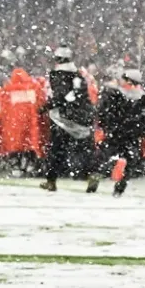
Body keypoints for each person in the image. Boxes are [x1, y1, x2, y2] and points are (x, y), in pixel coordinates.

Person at [39, 47, 97, 192]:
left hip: (63, 118)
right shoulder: (78, 75)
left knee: (56, 150)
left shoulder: (59, 75)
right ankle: (91, 175)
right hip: (82, 117)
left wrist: (46, 107)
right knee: (84, 149)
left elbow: (62, 96)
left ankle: (51, 181)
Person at [98, 68, 145, 196]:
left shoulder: (115, 95)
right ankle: (120, 183)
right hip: (132, 134)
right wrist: (144, 129)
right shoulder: (144, 99)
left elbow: (104, 113)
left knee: (106, 156)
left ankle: (98, 176)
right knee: (130, 159)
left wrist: (106, 125)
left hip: (117, 132)